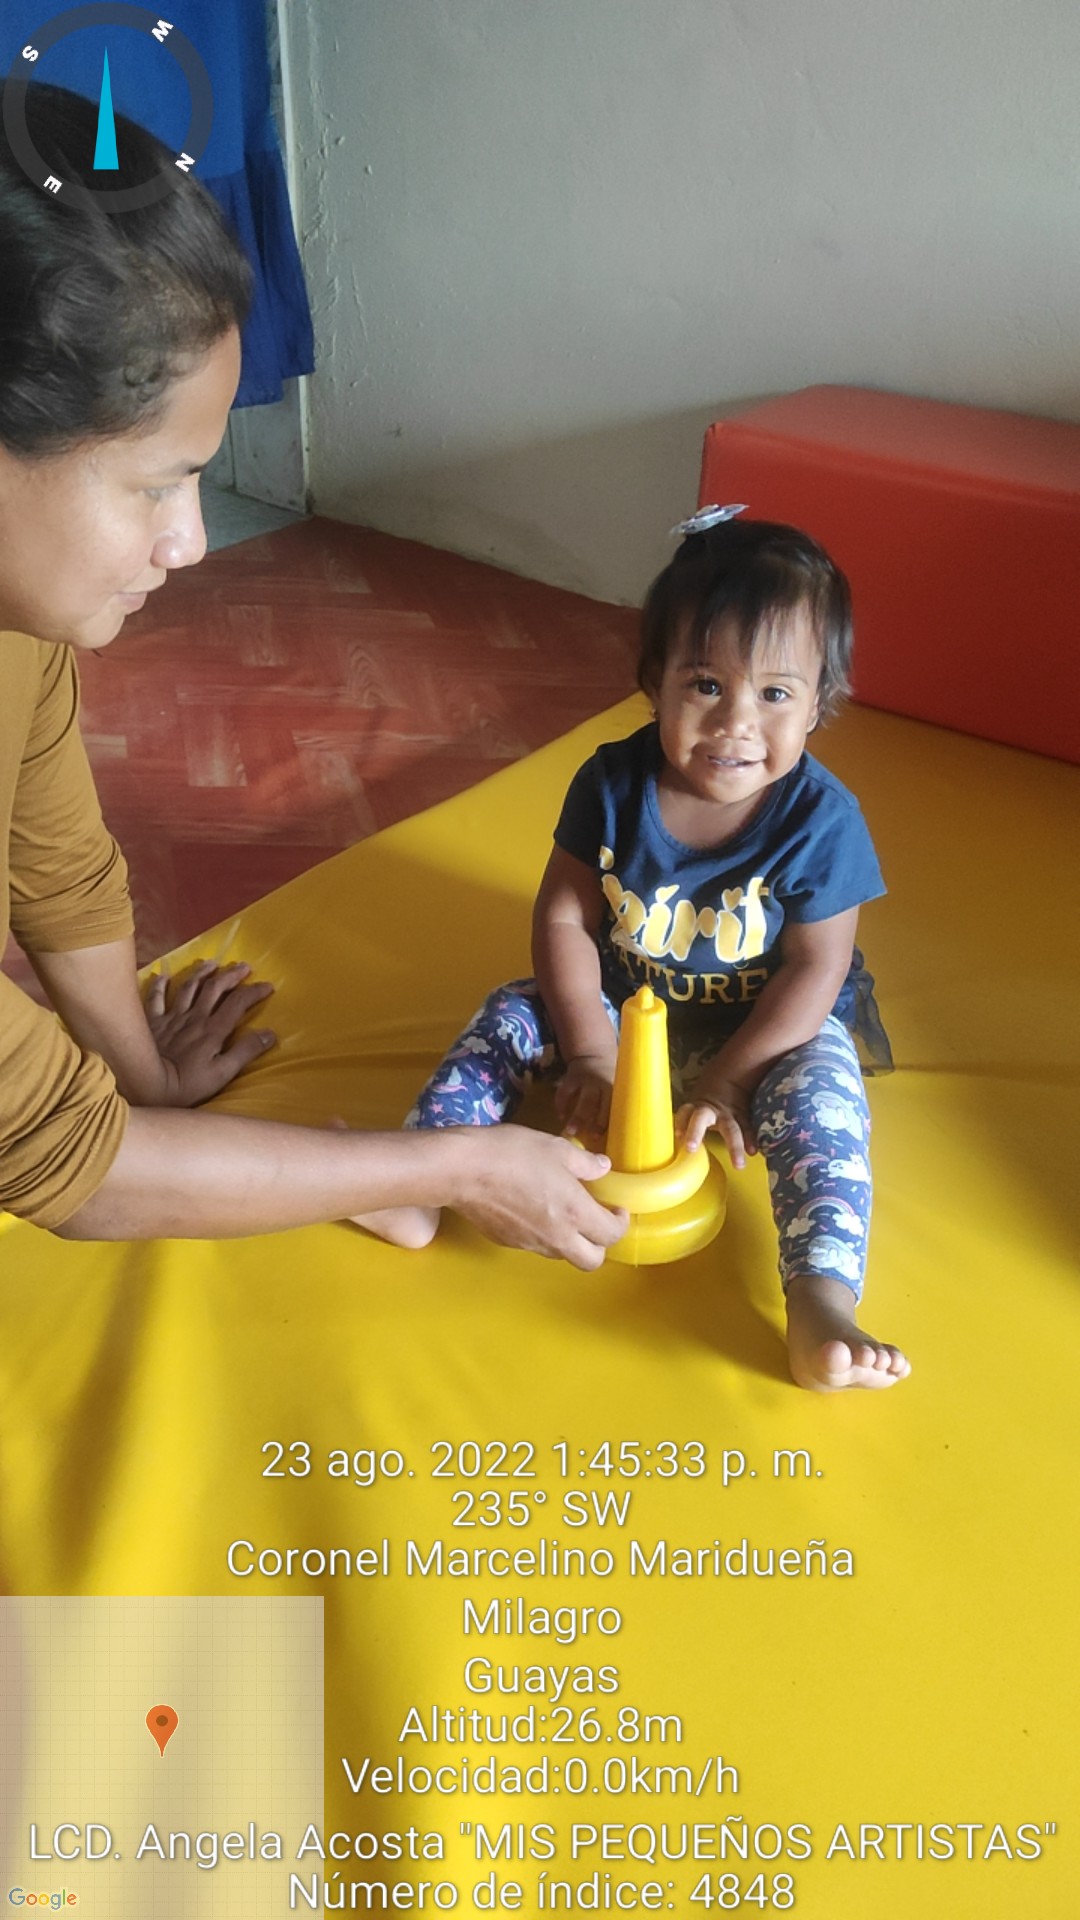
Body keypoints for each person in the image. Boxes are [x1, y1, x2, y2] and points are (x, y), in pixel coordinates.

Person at [0, 82, 625, 1268]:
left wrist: (147, 1079)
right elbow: (70, 1166)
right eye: (153, 486)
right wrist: (453, 1164)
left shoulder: (21, 623)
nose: (191, 542)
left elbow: (56, 862)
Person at [359, 510, 911, 1392]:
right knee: (508, 1011)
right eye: (706, 685)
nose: (736, 723)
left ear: (820, 700)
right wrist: (588, 1048)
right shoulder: (611, 784)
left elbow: (819, 968)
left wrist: (729, 1081)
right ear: (654, 681)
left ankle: (820, 1301)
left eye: (775, 695)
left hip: (764, 1031)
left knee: (826, 1095)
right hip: (620, 1010)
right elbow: (564, 919)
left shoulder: (822, 822)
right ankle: (417, 1186)